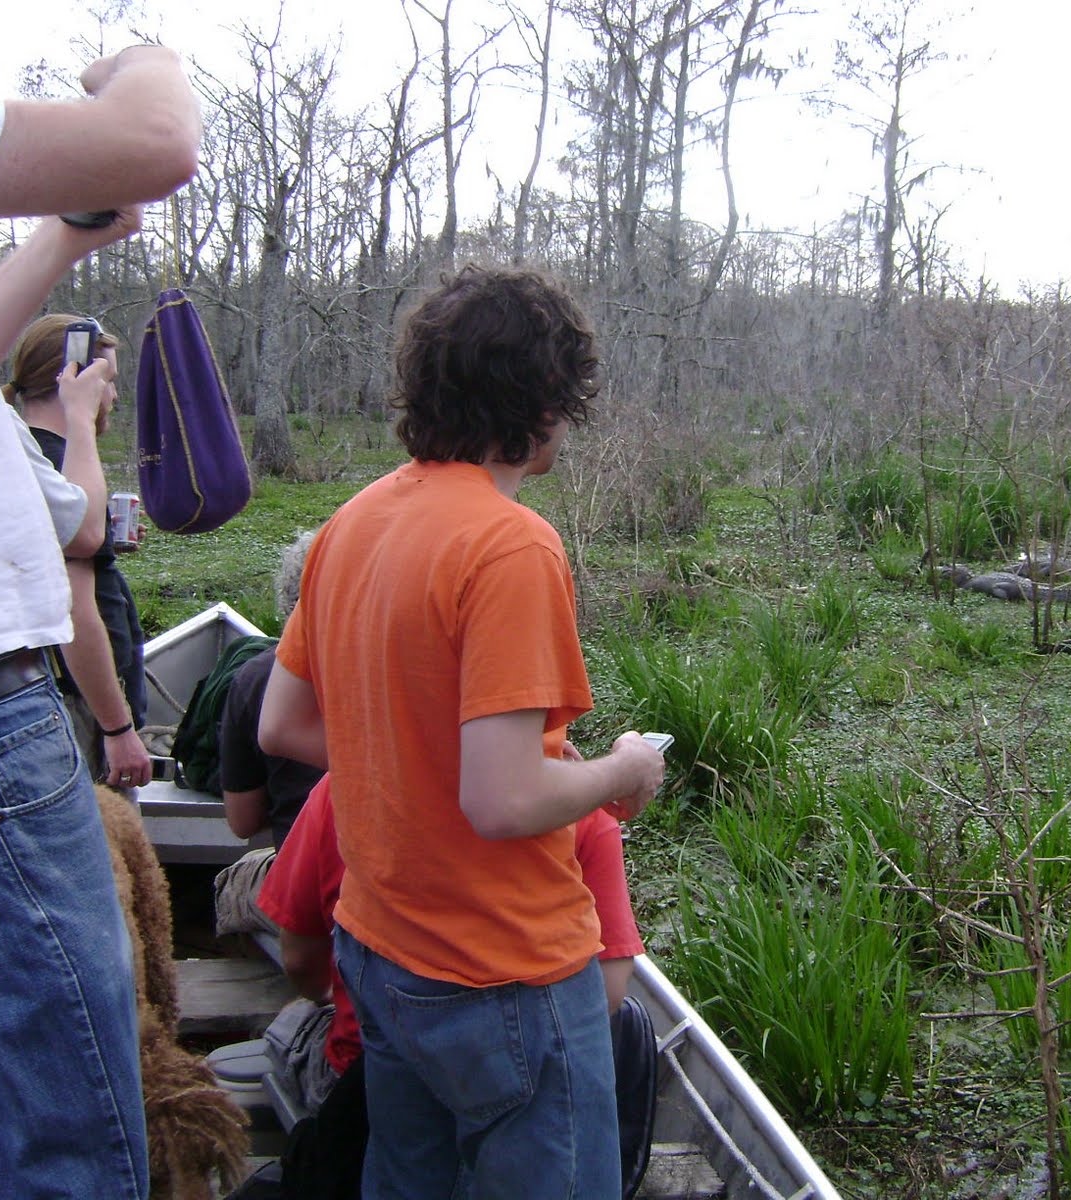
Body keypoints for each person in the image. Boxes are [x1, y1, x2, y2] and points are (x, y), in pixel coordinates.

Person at [259, 264, 666, 1199]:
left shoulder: (351, 524)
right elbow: (505, 798)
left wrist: (414, 753)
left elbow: (285, 723)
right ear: (543, 400)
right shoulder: (509, 544)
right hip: (503, 973)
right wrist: (620, 770)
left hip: (381, 951)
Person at [0, 42, 200, 1198]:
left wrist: (65, 235)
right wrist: (143, 60)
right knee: (70, 1117)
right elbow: (161, 141)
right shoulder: (49, 428)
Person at [253, 773, 646, 1199]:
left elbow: (298, 957)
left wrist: (339, 995)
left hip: (363, 1068)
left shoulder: (345, 785)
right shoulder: (585, 817)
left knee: (289, 1025)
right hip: (513, 1074)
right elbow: (608, 991)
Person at [8, 313, 153, 791]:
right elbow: (74, 611)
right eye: (106, 380)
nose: (113, 395)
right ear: (71, 379)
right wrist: (117, 728)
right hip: (79, 710)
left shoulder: (28, 455)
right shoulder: (52, 461)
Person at [219, 531, 325, 847]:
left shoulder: (253, 678)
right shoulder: (404, 672)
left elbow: (243, 822)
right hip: (397, 876)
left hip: (301, 877)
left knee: (235, 882)